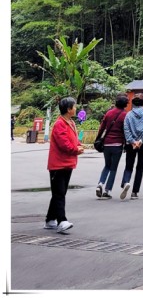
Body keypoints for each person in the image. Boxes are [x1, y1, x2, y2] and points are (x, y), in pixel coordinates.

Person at [44, 97, 84, 234]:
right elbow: (64, 144)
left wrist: (78, 146)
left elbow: (73, 140)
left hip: (67, 163)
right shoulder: (60, 124)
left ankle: (50, 219)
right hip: (58, 164)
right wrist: (75, 149)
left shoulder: (70, 122)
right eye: (74, 106)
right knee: (59, 193)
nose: (76, 108)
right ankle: (62, 221)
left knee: (59, 192)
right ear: (68, 109)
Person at [119, 94, 143, 200]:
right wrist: (140, 141)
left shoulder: (128, 115)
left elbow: (126, 129)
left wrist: (133, 142)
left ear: (133, 103)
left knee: (129, 165)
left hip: (130, 144)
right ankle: (134, 192)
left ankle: (126, 182)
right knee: (140, 167)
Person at [94, 95, 128, 198]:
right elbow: (126, 131)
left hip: (107, 143)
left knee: (107, 165)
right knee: (113, 168)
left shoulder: (109, 113)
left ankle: (100, 183)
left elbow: (102, 127)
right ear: (125, 104)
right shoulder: (125, 115)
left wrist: (98, 138)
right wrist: (126, 144)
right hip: (117, 144)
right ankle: (107, 191)